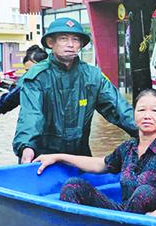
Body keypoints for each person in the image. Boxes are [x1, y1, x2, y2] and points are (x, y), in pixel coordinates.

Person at [34, 89, 156, 218]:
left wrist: (154, 218)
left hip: (153, 222)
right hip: (123, 214)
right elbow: (100, 164)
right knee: (73, 185)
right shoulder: (128, 148)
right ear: (135, 115)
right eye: (141, 110)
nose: (147, 115)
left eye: (155, 110)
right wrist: (58, 156)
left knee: (145, 192)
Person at [13, 17, 138, 163]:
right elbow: (31, 116)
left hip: (80, 158)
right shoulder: (37, 77)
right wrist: (26, 146)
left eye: (76, 40)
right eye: (63, 39)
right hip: (42, 158)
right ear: (51, 43)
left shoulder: (93, 76)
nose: (70, 45)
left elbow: (119, 109)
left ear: (81, 45)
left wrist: (146, 132)